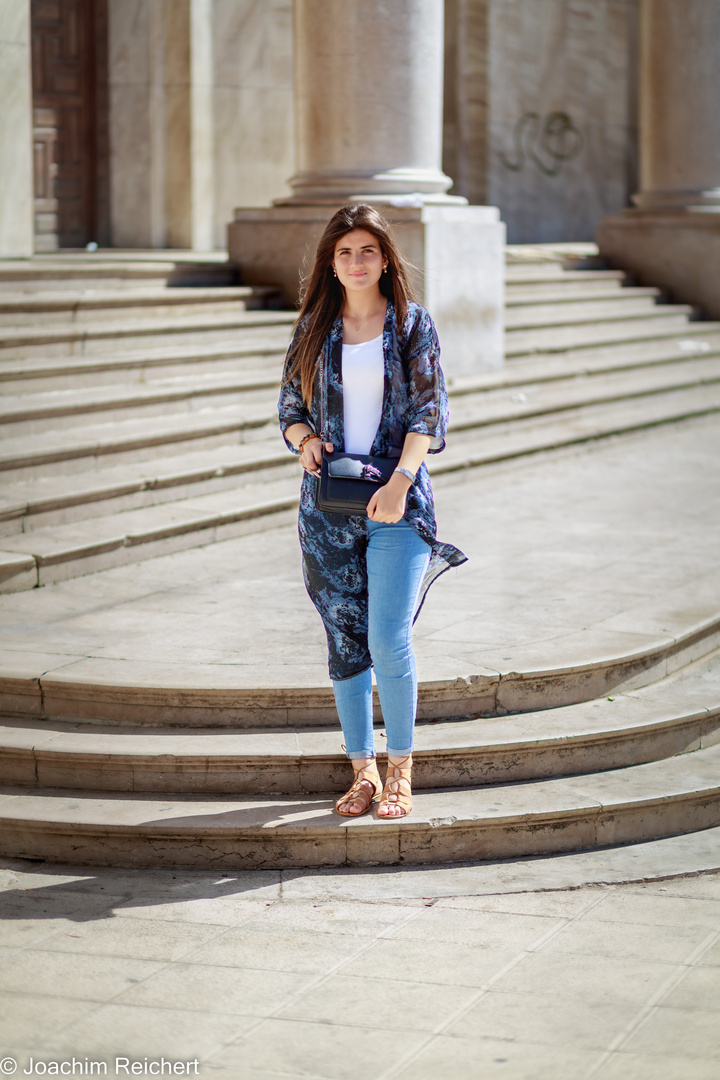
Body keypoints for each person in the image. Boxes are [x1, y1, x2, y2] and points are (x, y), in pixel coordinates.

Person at [278, 203, 466, 820]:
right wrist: (305, 440)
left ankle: (400, 773)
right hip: (327, 508)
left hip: (398, 502)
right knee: (344, 640)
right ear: (330, 265)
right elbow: (288, 408)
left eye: (367, 251)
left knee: (387, 638)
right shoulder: (313, 329)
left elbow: (429, 411)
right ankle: (361, 771)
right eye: (344, 253)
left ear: (385, 258)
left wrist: (402, 480)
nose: (356, 262)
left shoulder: (413, 325)